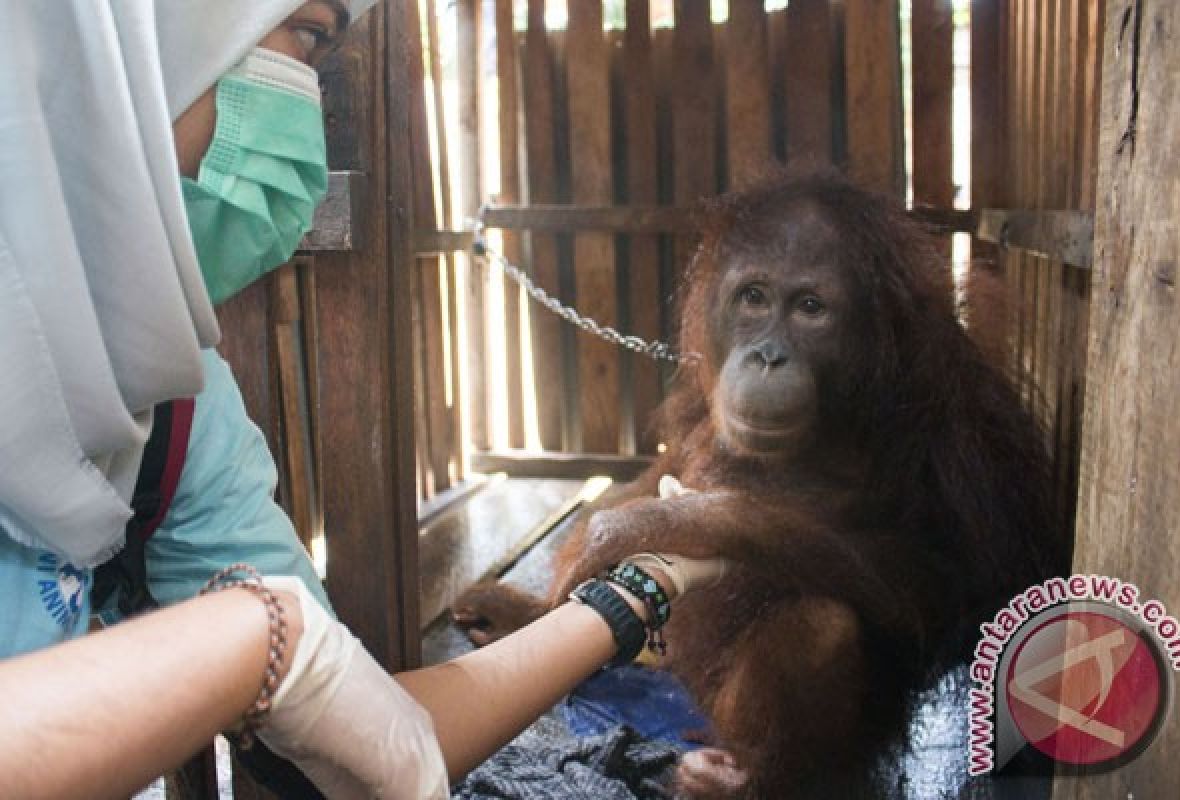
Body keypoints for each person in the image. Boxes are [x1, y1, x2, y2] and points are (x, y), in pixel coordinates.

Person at [0, 2, 728, 797]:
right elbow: (274, 648)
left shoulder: (175, 414)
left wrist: (641, 587)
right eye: (304, 34)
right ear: (111, 38)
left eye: (320, 51)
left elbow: (367, 735)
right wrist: (243, 643)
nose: (302, 110)